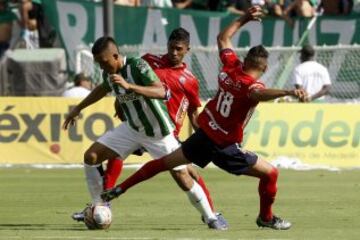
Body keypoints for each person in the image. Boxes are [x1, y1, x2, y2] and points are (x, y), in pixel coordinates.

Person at [101, 6, 308, 230]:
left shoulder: (230, 66)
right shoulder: (252, 86)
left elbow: (223, 37)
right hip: (226, 146)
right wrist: (287, 91)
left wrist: (246, 18)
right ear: (265, 68)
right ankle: (265, 218)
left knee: (163, 163)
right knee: (271, 174)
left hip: (204, 136)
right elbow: (258, 94)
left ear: (245, 58)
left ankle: (121, 188)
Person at [63, 36, 227, 230]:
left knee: (183, 177)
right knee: (91, 156)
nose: (101, 67)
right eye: (98, 63)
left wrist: (129, 86)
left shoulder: (137, 65)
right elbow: (101, 89)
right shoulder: (110, 73)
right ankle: (99, 205)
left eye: (104, 62)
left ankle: (211, 218)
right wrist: (78, 108)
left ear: (115, 56)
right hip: (132, 128)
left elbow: (161, 91)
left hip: (159, 133)